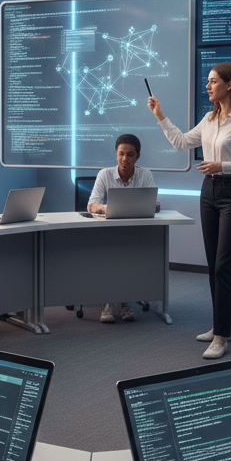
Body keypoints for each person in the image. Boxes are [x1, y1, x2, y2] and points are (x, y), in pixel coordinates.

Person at [149, 61, 231, 360]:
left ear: (229, 85)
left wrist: (222, 165)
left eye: (213, 81)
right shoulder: (209, 119)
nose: (208, 86)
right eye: (208, 81)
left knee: (224, 266)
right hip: (209, 192)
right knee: (213, 264)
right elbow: (181, 143)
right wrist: (160, 116)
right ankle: (221, 325)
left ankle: (221, 336)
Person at [88, 133, 156, 324]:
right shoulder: (105, 174)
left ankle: (123, 299)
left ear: (138, 156)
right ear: (116, 154)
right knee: (112, 253)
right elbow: (91, 205)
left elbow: (153, 204)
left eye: (130, 155)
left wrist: (151, 205)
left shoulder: (145, 174)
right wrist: (106, 208)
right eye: (121, 154)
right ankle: (111, 301)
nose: (125, 159)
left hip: (134, 231)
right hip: (107, 231)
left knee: (128, 253)